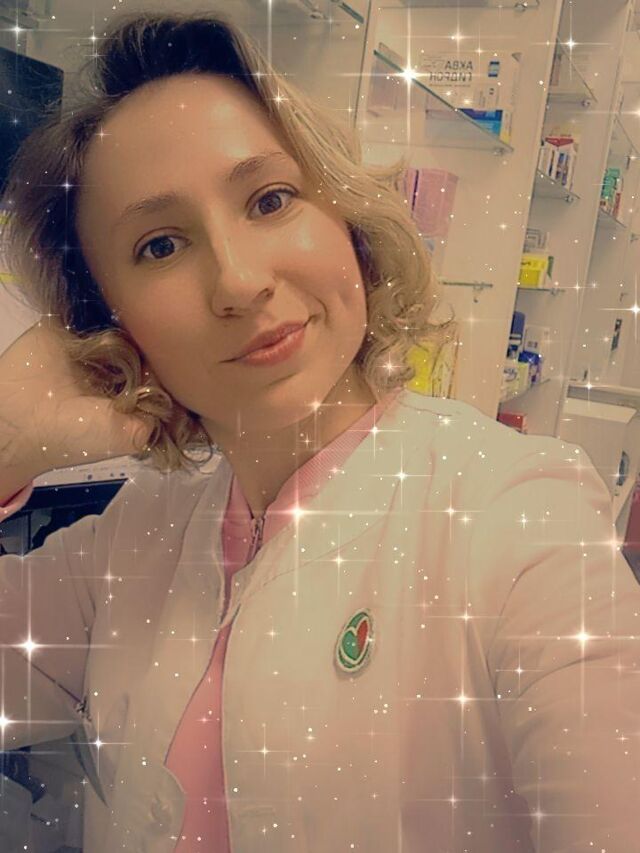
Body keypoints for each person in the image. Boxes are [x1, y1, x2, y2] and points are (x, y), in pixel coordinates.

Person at [0, 10, 637, 853]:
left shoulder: (518, 518)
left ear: (347, 219)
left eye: (271, 199)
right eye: (160, 245)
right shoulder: (133, 537)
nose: (239, 281)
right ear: (105, 319)